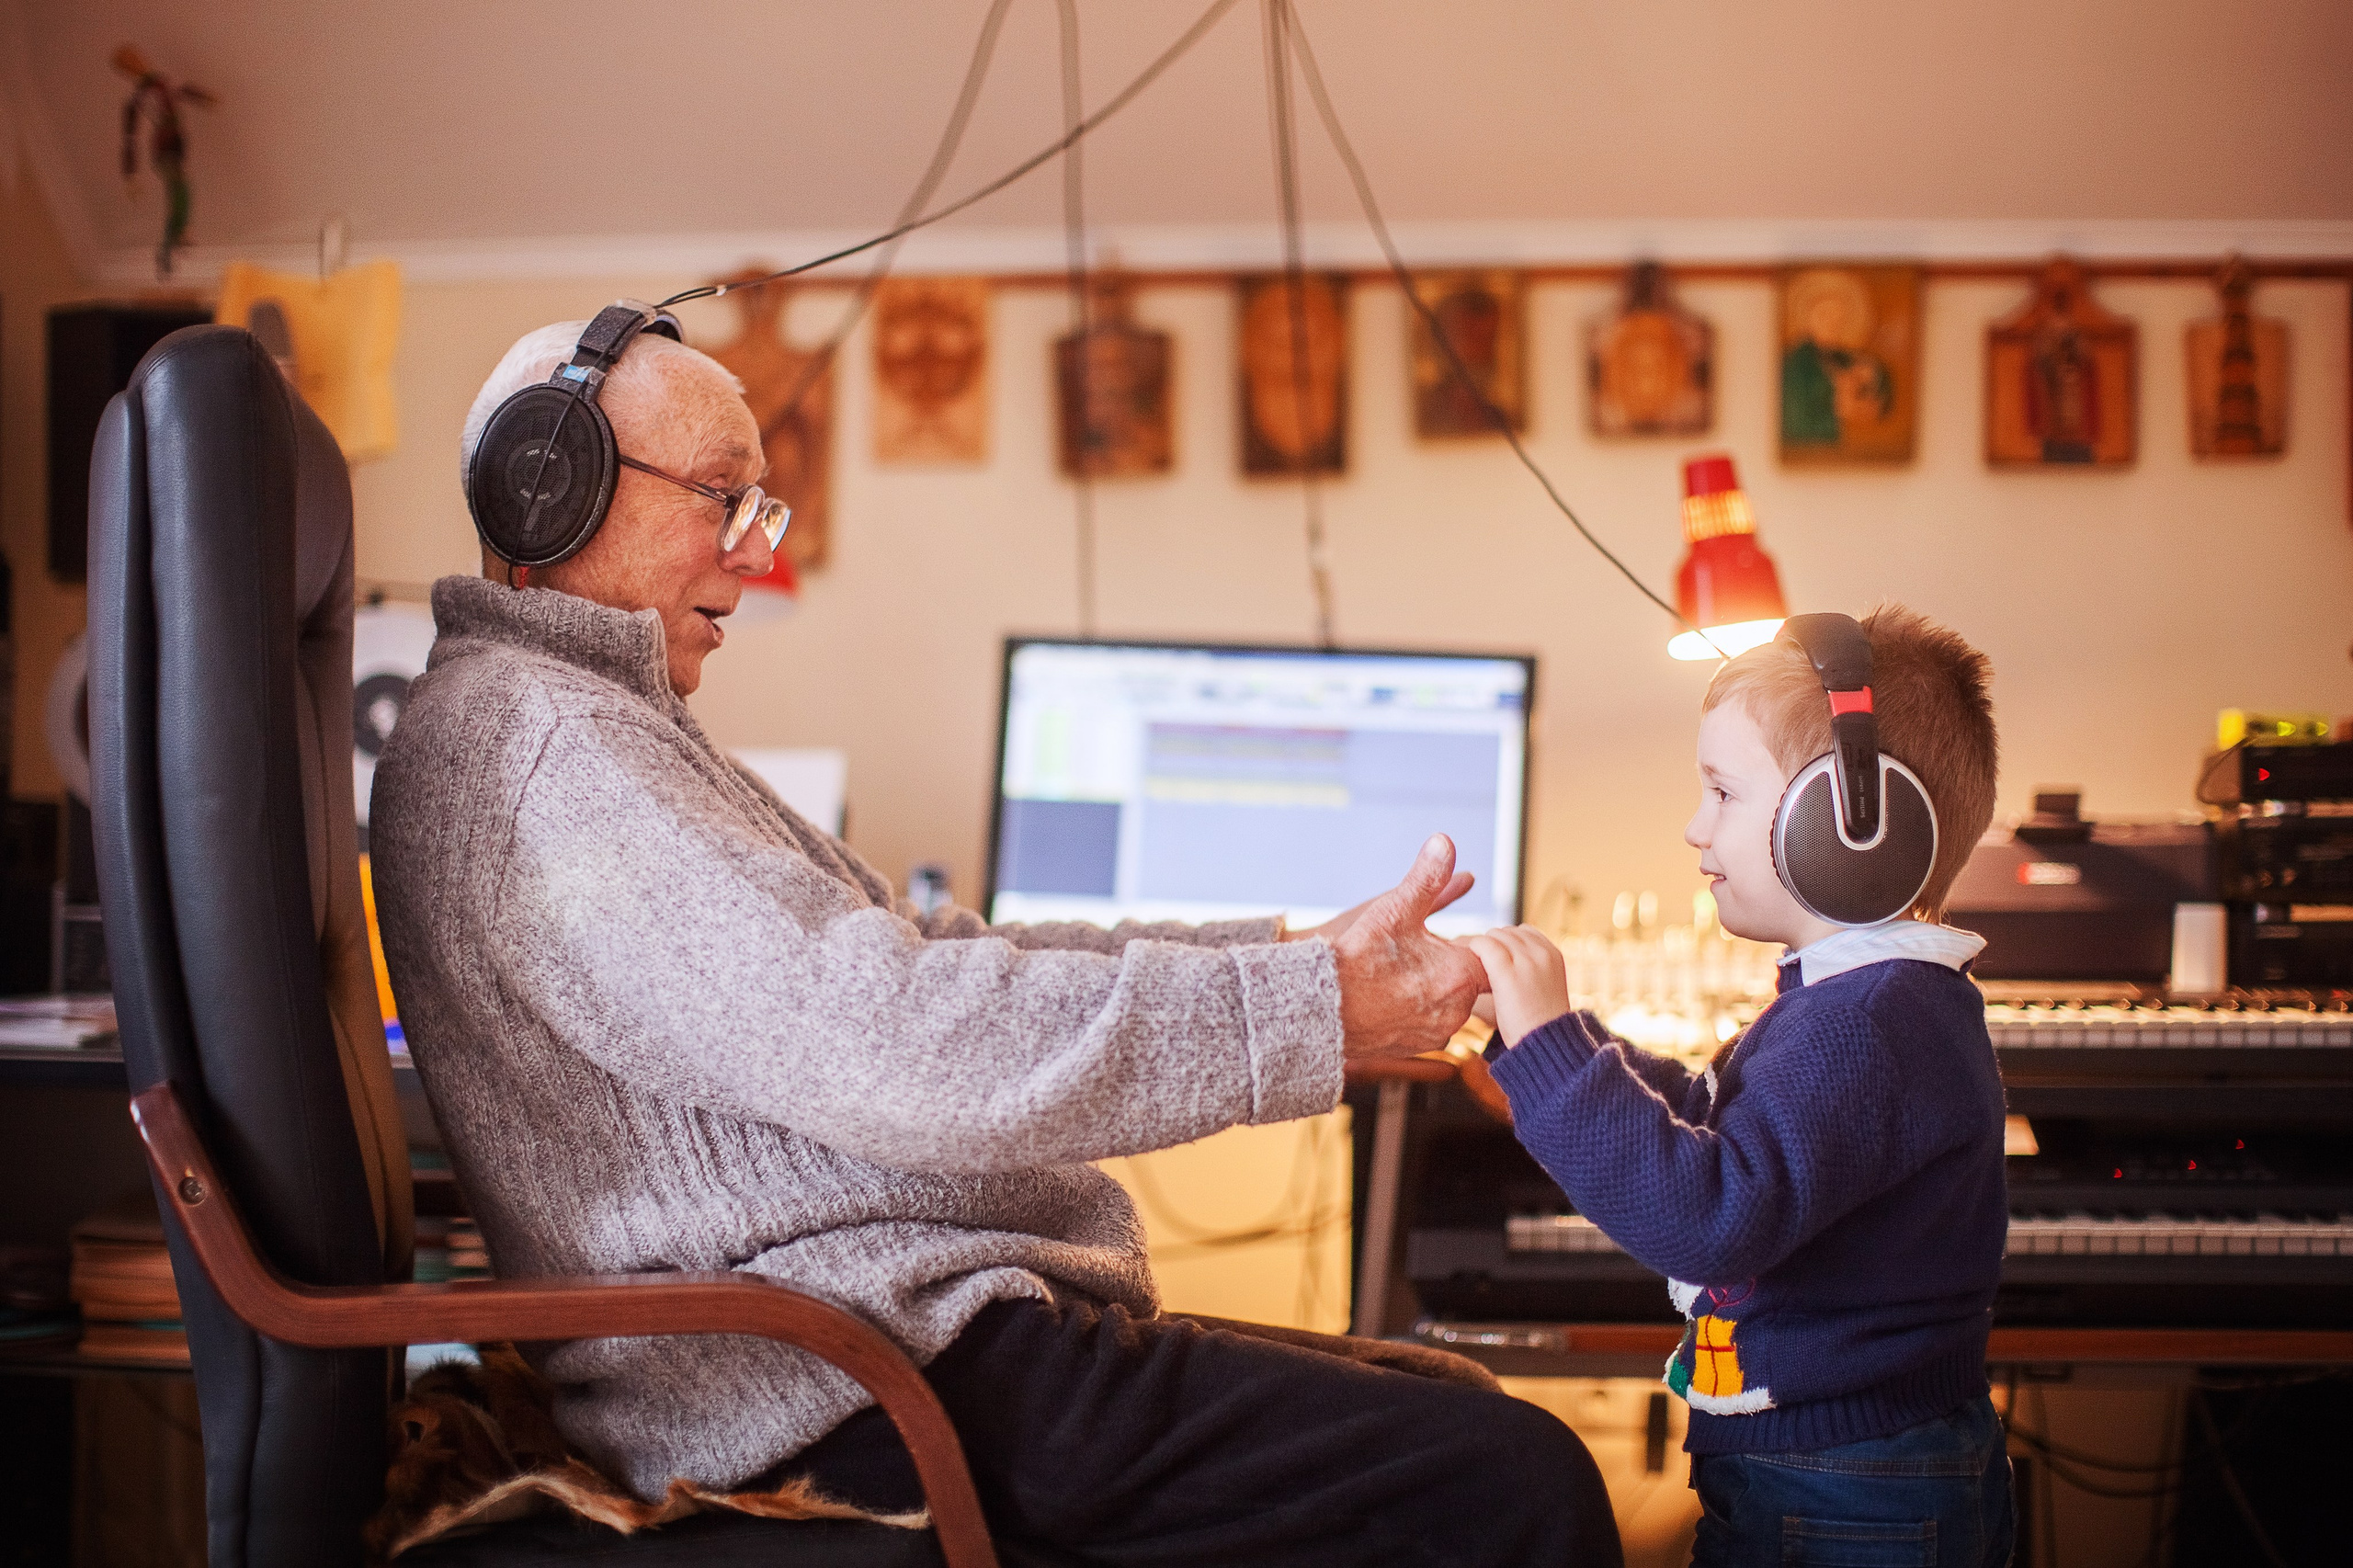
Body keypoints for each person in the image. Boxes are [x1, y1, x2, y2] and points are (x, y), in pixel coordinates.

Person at [371, 316, 1621, 1566]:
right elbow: (896, 1041)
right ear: (552, 484)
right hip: (840, 1380)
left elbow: (931, 947)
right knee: (1512, 1479)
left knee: (1453, 1404)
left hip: (883, 1338)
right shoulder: (548, 752)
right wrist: (1308, 1011)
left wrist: (1293, 954)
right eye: (723, 497)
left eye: (762, 507)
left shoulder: (575, 720)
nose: (753, 552)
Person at [1461, 606, 2012, 1568]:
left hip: (1850, 1487)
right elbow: (1728, 1124)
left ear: (1851, 819)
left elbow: (1710, 1216)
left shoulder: (1868, 1022)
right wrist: (1552, 1041)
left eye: (1721, 791)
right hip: (1833, 1465)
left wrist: (1554, 1049)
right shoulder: (1864, 997)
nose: (1692, 825)